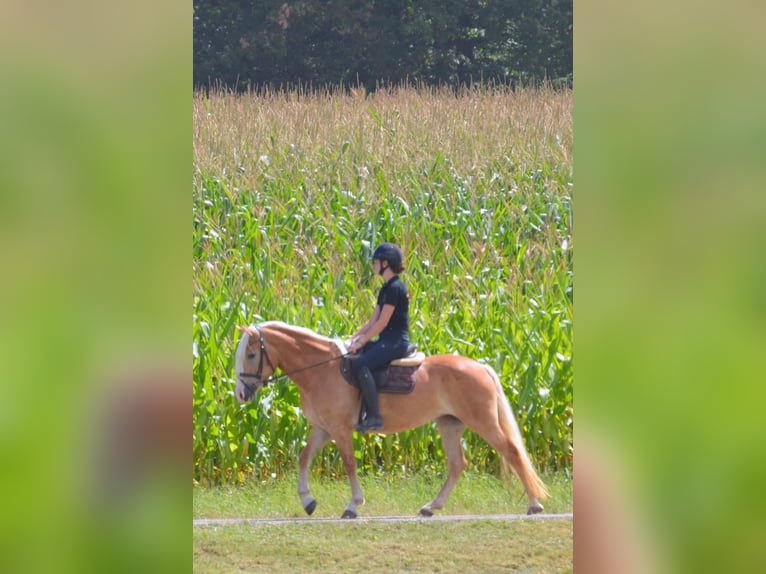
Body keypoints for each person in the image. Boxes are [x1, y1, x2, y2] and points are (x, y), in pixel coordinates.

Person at [347, 242, 410, 432]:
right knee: (357, 357)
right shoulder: (385, 289)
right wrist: (352, 339)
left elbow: (382, 323)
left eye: (376, 261)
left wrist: (362, 341)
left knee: (361, 364)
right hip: (386, 340)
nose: (373, 265)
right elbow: (372, 321)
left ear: (386, 263)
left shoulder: (395, 288)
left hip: (395, 341)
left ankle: (374, 417)